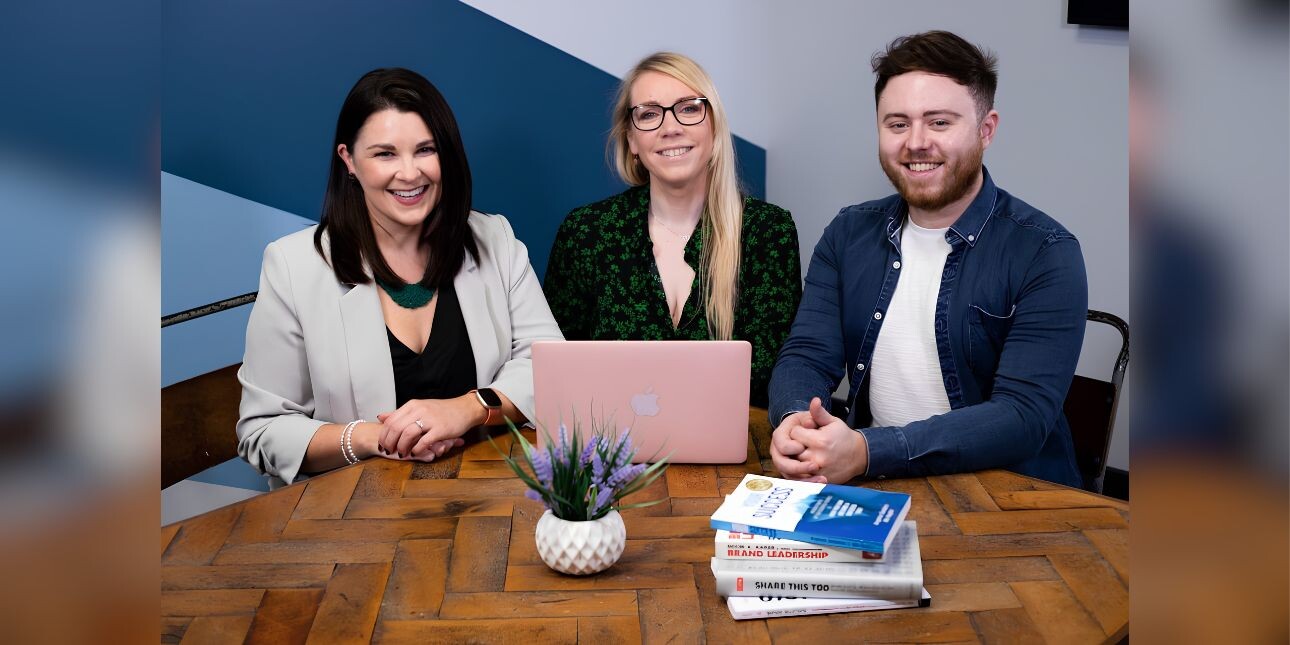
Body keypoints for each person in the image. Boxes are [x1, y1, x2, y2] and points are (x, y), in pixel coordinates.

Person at [768, 31, 1087, 488]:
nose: (916, 142)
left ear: (986, 129)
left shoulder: (1046, 251)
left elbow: (1022, 416)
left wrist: (867, 450)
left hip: (1004, 498)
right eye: (897, 124)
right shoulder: (848, 232)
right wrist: (795, 421)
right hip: (873, 483)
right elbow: (807, 355)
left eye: (939, 123)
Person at [237, 68, 563, 487]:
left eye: (425, 150)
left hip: (489, 501)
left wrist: (468, 408)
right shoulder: (293, 264)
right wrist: (377, 439)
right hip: (352, 518)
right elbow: (262, 431)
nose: (410, 173)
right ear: (349, 161)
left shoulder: (494, 238)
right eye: (385, 154)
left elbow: (549, 366)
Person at [543, 52, 801, 407]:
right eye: (649, 114)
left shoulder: (768, 232)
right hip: (612, 455)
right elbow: (558, 372)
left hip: (733, 453)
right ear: (631, 141)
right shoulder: (586, 233)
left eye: (689, 108)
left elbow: (776, 376)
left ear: (714, 126)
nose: (670, 127)